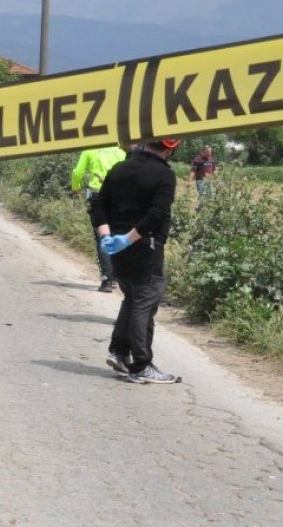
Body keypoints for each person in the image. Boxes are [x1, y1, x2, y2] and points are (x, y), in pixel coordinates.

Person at [92, 138, 181, 385]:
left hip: (118, 247)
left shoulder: (120, 168)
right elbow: (156, 215)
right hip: (144, 245)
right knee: (145, 300)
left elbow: (98, 204)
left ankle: (119, 351)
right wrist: (130, 239)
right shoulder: (164, 175)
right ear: (172, 146)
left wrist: (107, 236)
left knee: (131, 297)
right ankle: (141, 364)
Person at [71, 145, 129, 292]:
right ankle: (119, 276)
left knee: (102, 237)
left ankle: (107, 280)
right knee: (119, 233)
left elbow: (77, 172)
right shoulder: (121, 149)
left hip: (98, 195)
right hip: (120, 195)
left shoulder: (89, 149)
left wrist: (75, 188)